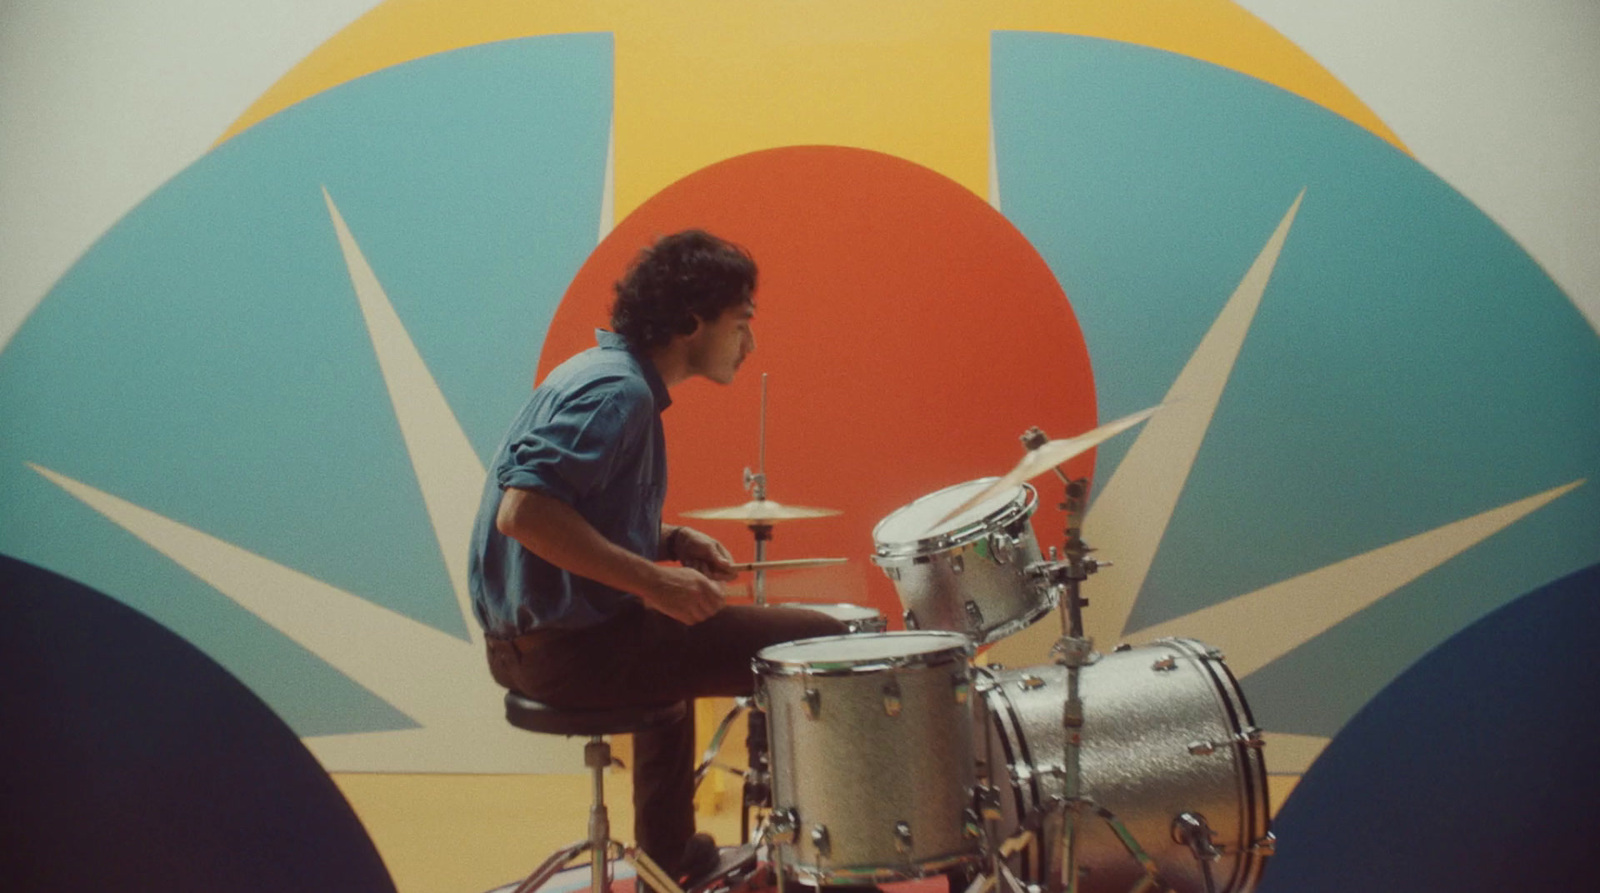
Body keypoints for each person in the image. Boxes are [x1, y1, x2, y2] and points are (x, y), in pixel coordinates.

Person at [467, 229, 847, 890]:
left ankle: (670, 858)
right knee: (827, 646)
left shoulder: (595, 373)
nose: (750, 343)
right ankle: (832, 864)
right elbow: (524, 513)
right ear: (691, 321)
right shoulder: (620, 395)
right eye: (742, 323)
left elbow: (575, 508)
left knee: (671, 664)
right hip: (565, 651)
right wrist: (655, 582)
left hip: (531, 644)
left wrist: (669, 541)